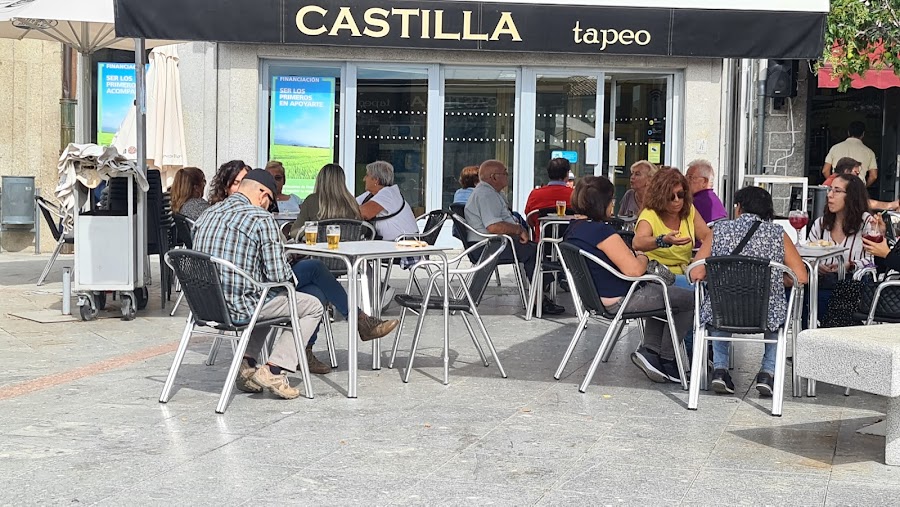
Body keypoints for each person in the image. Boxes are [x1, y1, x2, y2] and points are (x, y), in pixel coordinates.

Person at [192, 169, 323, 400]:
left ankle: (246, 364)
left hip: (204, 306)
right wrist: (292, 275)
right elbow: (279, 276)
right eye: (270, 203)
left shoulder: (206, 214)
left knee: (264, 295)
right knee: (311, 305)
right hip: (240, 308)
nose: (268, 208)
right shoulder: (261, 219)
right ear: (264, 195)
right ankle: (275, 369)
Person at [564, 175, 694, 383]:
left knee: (659, 292)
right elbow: (634, 271)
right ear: (602, 202)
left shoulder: (574, 229)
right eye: (611, 199)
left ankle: (650, 351)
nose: (613, 203)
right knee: (687, 300)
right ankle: (668, 360)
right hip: (619, 300)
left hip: (594, 299)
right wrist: (642, 256)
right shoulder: (601, 231)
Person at [691, 186, 807, 396]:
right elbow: (801, 276)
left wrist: (720, 277)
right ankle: (767, 374)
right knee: (776, 307)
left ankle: (719, 369)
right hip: (764, 314)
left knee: (719, 297)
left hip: (723, 312)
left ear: (739, 208)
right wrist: (774, 280)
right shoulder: (777, 234)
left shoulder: (719, 230)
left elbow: (696, 273)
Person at [465, 159, 564, 315]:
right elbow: (493, 226)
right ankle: (540, 299)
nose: (507, 176)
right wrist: (518, 230)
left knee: (535, 249)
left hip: (494, 244)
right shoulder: (486, 194)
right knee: (535, 252)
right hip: (488, 247)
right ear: (494, 177)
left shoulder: (492, 193)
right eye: (505, 173)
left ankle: (542, 293)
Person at [291, 258, 400, 374]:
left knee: (317, 294)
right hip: (277, 279)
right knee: (315, 267)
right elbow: (275, 273)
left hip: (287, 266)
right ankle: (361, 320)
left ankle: (303, 352)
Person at [807, 173, 876, 323]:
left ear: (851, 196)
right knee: (796, 289)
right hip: (822, 281)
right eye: (830, 190)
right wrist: (817, 266)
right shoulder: (820, 224)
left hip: (853, 283)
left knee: (832, 294)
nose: (830, 195)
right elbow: (807, 254)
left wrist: (848, 265)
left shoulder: (865, 224)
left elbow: (872, 261)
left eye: (837, 191)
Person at [633, 168, 712, 287]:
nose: (677, 200)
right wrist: (662, 240)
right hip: (658, 279)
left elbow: (708, 237)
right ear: (660, 196)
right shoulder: (650, 214)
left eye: (680, 195)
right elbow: (638, 242)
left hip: (686, 274)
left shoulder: (689, 210)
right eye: (671, 196)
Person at [291, 163, 361, 237]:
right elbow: (363, 230)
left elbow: (294, 233)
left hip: (317, 247)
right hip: (347, 247)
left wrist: (309, 229)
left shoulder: (311, 200)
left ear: (320, 180)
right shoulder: (351, 202)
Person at [357, 161, 418, 241]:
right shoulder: (371, 194)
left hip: (405, 245)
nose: (364, 179)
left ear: (376, 180)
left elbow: (365, 213)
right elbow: (350, 204)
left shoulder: (388, 193)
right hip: (391, 244)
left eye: (367, 175)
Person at [524, 157, 574, 236]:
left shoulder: (535, 194)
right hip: (570, 242)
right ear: (567, 174)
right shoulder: (575, 196)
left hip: (542, 242)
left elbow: (530, 218)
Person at [825, 158, 899, 210]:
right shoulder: (839, 183)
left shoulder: (831, 180)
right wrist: (889, 205)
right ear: (847, 171)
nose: (857, 177)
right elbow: (861, 202)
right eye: (856, 173)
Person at [822, 121, 878, 187]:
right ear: (863, 134)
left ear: (848, 132)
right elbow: (873, 176)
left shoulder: (835, 148)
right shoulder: (869, 152)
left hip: (838, 185)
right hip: (857, 187)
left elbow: (825, 171)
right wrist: (863, 188)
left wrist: (833, 184)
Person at [685, 159, 727, 223]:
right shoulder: (714, 198)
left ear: (704, 181)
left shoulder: (695, 202)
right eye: (686, 177)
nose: (686, 181)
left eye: (690, 177)